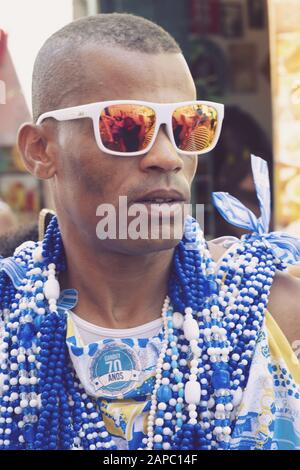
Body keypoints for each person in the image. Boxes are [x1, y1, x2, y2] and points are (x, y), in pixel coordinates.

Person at [0, 13, 300, 451]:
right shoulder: (9, 313)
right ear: (41, 150)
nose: (168, 156)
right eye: (125, 127)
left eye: (187, 126)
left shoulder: (278, 312)